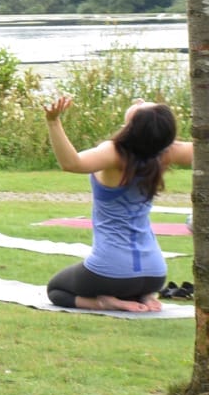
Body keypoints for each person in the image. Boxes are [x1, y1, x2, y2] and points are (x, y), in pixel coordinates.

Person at [43, 96, 191, 312]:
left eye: (143, 106)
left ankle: (105, 302)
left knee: (56, 290)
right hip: (155, 274)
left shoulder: (113, 153)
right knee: (130, 279)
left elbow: (71, 163)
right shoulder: (165, 152)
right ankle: (146, 297)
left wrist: (53, 122)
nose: (140, 100)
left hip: (110, 272)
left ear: (133, 126)